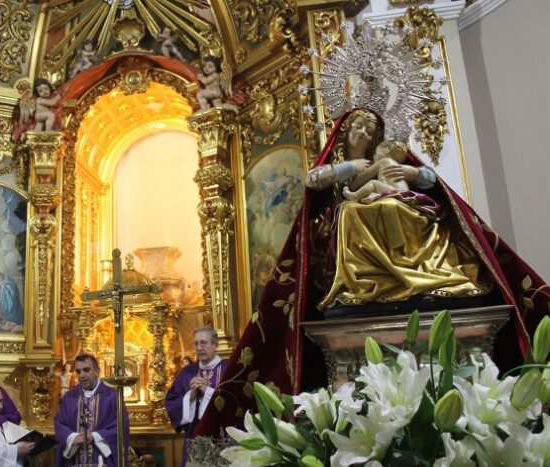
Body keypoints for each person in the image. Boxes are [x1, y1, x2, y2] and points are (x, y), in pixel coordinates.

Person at [194, 108, 550, 438]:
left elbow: (429, 181)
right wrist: (354, 170)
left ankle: (418, 275)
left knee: (401, 207)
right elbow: (315, 180)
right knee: (351, 213)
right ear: (344, 131)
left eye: (371, 128)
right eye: (358, 127)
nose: (364, 132)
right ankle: (364, 283)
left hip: (396, 209)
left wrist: (407, 173)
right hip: (347, 227)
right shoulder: (339, 163)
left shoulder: (390, 159)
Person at [165, 327, 228, 464]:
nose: (199, 348)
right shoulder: (187, 372)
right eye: (196, 343)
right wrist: (191, 395)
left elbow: (236, 402)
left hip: (223, 439)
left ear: (215, 345)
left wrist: (207, 391)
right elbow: (171, 402)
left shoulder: (227, 369)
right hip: (194, 438)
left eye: (204, 343)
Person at [54, 354, 129, 466]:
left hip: (103, 461)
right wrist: (73, 438)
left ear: (97, 371)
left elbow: (121, 427)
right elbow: (60, 424)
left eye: (86, 370)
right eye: (78, 371)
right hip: (75, 460)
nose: (82, 375)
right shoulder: (69, 397)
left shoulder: (112, 396)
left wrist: (94, 436)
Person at [342, 139, 409, 202]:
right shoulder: (397, 168)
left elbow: (366, 174)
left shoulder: (384, 161)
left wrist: (352, 184)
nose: (374, 157)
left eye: (376, 153)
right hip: (405, 195)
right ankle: (374, 196)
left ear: (388, 150)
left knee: (373, 183)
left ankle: (355, 196)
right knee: (376, 190)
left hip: (396, 193)